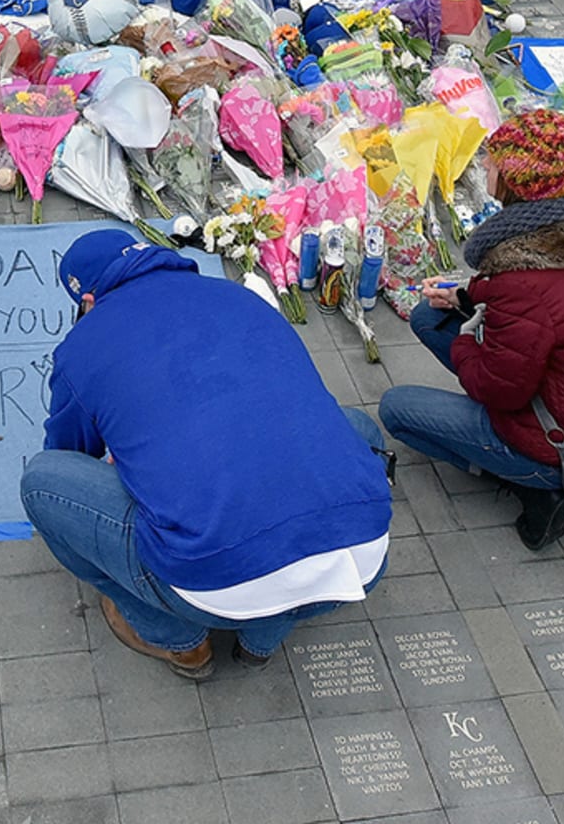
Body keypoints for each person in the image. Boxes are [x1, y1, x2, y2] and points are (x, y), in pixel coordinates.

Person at [21, 230, 393, 679]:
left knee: (44, 483)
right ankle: (261, 643)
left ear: (89, 299)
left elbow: (68, 455)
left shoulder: (83, 343)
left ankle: (181, 642)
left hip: (214, 581)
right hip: (362, 557)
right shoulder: (241, 297)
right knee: (353, 428)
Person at [379, 109, 564, 551]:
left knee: (397, 410)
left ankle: (535, 485)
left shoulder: (521, 278)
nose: (483, 163)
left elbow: (500, 390)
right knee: (429, 316)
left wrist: (468, 338)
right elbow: (557, 312)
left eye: (494, 160)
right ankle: (512, 460)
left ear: (520, 186)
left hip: (563, 444)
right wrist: (467, 299)